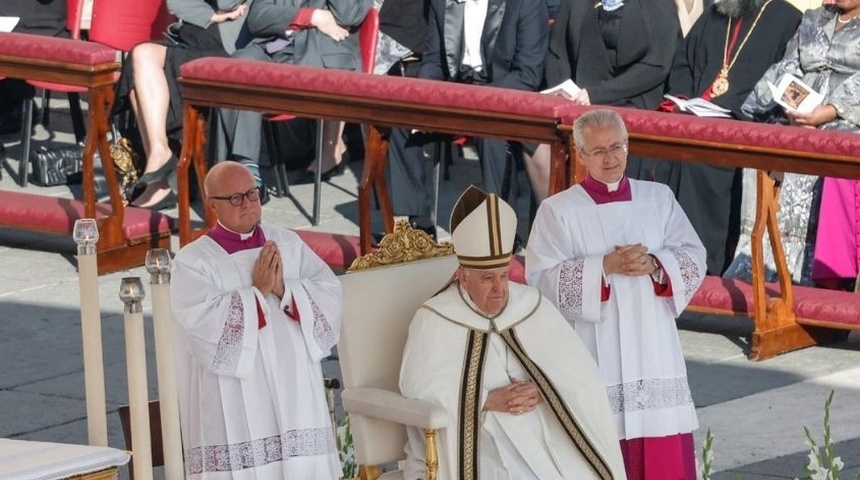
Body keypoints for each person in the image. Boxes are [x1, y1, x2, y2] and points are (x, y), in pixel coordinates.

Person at [525, 110, 707, 480]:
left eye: (617, 147)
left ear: (628, 146)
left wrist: (656, 264)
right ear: (581, 154)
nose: (610, 158)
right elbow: (541, 279)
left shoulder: (658, 199)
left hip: (654, 347)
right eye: (599, 151)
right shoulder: (558, 211)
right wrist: (603, 267)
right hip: (596, 346)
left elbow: (693, 255)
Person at [400, 185, 627, 480]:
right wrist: (485, 399)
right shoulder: (434, 319)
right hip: (480, 435)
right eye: (487, 278)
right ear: (462, 277)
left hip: (541, 426)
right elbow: (418, 389)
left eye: (504, 275)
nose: (499, 288)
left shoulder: (529, 304)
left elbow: (579, 372)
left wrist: (543, 388)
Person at [170, 161, 343, 479]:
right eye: (235, 198)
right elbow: (202, 328)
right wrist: (258, 293)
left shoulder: (287, 243)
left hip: (295, 390)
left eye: (252, 193)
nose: (248, 202)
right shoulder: (194, 262)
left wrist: (283, 288)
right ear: (212, 205)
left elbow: (329, 295)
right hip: (236, 394)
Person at [654, 0, 802, 276]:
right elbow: (683, 61)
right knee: (655, 151)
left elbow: (784, 80)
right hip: (696, 115)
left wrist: (741, 113)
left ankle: (702, 263)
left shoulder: (787, 18)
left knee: (699, 160)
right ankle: (660, 258)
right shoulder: (716, 13)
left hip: (746, 123)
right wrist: (684, 99)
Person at [386, 0, 549, 234]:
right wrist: (425, 98)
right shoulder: (442, 3)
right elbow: (434, 61)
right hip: (458, 93)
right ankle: (416, 225)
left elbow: (528, 75)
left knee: (490, 131)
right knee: (402, 119)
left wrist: (481, 100)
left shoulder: (526, 4)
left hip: (505, 93)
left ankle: (502, 230)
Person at [733, 0, 860, 289]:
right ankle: (758, 265)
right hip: (798, 111)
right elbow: (788, 65)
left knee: (820, 153)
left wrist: (825, 113)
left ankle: (803, 276)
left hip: (847, 117)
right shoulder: (813, 18)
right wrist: (792, 107)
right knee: (761, 147)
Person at [527, 0, 681, 203]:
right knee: (535, 140)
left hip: (633, 97)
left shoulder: (657, 4)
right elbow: (558, 52)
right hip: (580, 98)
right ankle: (553, 222)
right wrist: (563, 93)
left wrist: (599, 94)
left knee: (604, 139)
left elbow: (657, 65)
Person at [114, 0, 252, 210]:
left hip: (232, 48)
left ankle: (160, 183)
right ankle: (159, 156)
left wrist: (217, 12)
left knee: (145, 65)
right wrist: (211, 15)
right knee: (140, 55)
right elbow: (178, 3)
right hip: (192, 36)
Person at [219, 0, 371, 188]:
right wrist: (311, 17)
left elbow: (348, 14)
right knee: (233, 71)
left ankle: (244, 179)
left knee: (247, 89)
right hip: (270, 50)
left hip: (316, 56)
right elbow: (257, 18)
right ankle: (245, 170)